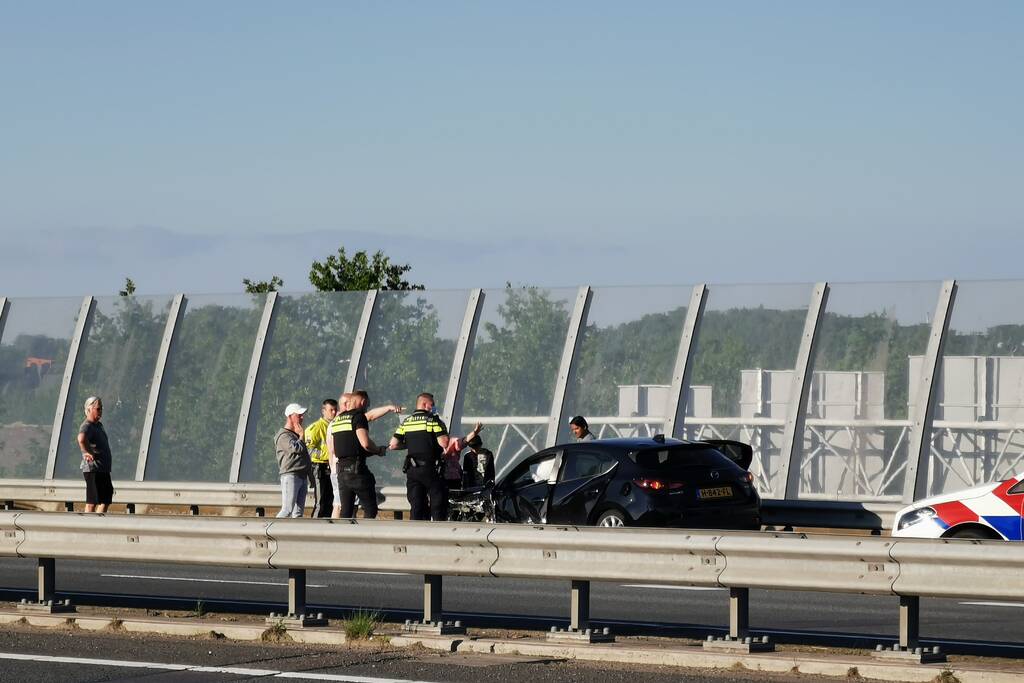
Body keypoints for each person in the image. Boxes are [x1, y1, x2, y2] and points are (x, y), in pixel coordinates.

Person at [329, 392, 403, 518]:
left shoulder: (337, 421)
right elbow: (365, 443)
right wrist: (378, 450)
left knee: (345, 511)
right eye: (367, 405)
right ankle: (365, 536)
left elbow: (343, 448)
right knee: (370, 509)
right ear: (363, 402)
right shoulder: (358, 417)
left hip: (341, 472)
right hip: (357, 472)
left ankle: (345, 535)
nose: (367, 408)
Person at [389, 392, 450, 521]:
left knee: (416, 506)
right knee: (437, 505)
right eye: (432, 405)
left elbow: (393, 445)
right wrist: (442, 430)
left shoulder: (407, 421)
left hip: (412, 470)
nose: (433, 407)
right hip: (430, 469)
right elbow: (444, 443)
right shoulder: (432, 420)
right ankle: (439, 535)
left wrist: (409, 445)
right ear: (424, 404)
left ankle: (415, 536)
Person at [275, 403, 311, 518]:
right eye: (299, 415)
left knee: (298, 513)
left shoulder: (295, 435)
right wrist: (301, 435)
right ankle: (272, 530)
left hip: (301, 475)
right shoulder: (283, 435)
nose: (302, 417)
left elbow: (305, 455)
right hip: (291, 475)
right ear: (290, 416)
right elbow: (296, 449)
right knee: (287, 510)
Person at [78, 396, 113, 513]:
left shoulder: (98, 425)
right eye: (98, 409)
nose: (100, 411)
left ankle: (98, 524)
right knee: (92, 502)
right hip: (94, 469)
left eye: (101, 408)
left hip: (102, 469)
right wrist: (88, 452)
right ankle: (88, 527)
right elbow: (81, 438)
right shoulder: (87, 425)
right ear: (88, 410)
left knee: (106, 498)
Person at [305, 398, 338, 518]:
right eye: (331, 410)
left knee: (331, 502)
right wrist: (328, 455)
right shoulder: (316, 427)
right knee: (321, 502)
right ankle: (313, 530)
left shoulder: (334, 426)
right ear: (323, 411)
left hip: (331, 467)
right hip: (319, 467)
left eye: (335, 410)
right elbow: (309, 449)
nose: (334, 412)